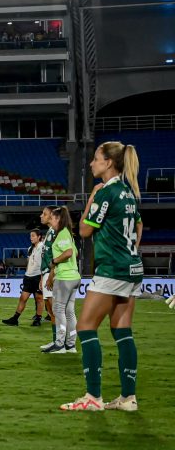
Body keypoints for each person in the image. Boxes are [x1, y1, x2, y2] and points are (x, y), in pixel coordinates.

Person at [61, 142, 143, 412]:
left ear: (108, 163)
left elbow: (84, 231)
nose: (91, 163)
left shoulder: (106, 192)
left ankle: (93, 397)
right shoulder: (129, 192)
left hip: (111, 270)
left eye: (96, 159)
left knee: (85, 328)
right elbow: (139, 226)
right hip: (131, 268)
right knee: (122, 332)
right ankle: (128, 398)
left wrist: (91, 199)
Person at [43, 206, 80, 354]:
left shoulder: (62, 234)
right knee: (70, 312)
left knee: (58, 310)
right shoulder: (68, 234)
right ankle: (71, 345)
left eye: (51, 217)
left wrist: (54, 261)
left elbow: (69, 253)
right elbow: (75, 253)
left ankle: (59, 344)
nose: (50, 220)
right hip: (74, 277)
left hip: (64, 277)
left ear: (58, 218)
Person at [2, 230, 45, 326]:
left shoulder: (43, 247)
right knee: (23, 298)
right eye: (30, 236)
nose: (31, 238)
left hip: (38, 276)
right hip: (28, 276)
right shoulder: (30, 248)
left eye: (33, 236)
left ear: (39, 237)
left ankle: (38, 319)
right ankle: (15, 319)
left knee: (39, 298)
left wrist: (42, 279)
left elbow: (44, 264)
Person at [36, 206, 58, 349]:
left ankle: (60, 341)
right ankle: (57, 340)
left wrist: (50, 275)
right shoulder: (49, 232)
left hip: (52, 274)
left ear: (51, 216)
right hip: (45, 274)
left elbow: (57, 256)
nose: (41, 216)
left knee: (55, 309)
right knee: (50, 310)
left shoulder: (56, 232)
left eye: (44, 214)